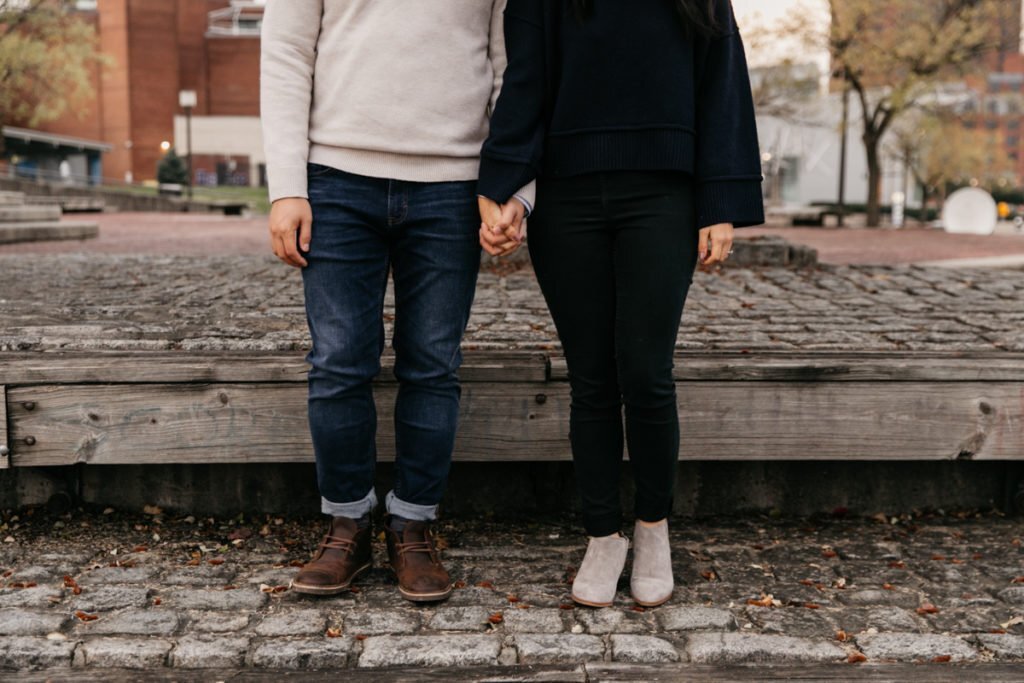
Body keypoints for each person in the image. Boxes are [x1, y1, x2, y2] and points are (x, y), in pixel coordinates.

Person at [477, 0, 764, 608]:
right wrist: (500, 185)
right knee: (592, 379)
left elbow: (723, 82)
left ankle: (654, 529)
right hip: (567, 200)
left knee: (646, 371)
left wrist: (720, 201)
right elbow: (524, 82)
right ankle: (602, 535)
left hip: (663, 196)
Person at [260, 0, 533, 602]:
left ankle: (412, 524)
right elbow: (285, 54)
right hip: (335, 176)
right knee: (338, 359)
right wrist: (286, 185)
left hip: (454, 184)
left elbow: (513, 68)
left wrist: (513, 186)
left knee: (433, 363)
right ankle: (347, 524)